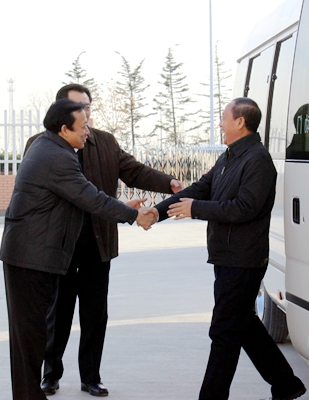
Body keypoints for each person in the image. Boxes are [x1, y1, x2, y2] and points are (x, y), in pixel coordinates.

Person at [25, 84, 182, 397]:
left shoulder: (105, 142)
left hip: (97, 244)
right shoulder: (42, 145)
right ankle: (50, 374)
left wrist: (170, 183)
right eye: (78, 107)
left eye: (87, 106)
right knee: (57, 314)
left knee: (95, 315)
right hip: (58, 247)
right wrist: (128, 213)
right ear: (61, 114)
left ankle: (91, 377)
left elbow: (134, 171)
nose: (85, 113)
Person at [0, 98, 157, 400]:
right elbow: (90, 198)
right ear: (64, 129)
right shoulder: (56, 156)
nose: (88, 131)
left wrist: (124, 208)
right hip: (30, 258)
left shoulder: (50, 147)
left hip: (31, 254)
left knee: (30, 339)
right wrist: (134, 215)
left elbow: (81, 198)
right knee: (30, 339)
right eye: (83, 126)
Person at [153, 98, 306, 400]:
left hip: (244, 259)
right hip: (226, 256)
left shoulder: (258, 160)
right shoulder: (230, 156)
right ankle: (286, 384)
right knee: (243, 324)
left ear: (240, 122)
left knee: (224, 331)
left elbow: (244, 208)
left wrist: (196, 209)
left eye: (224, 117)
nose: (220, 123)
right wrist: (156, 213)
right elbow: (199, 188)